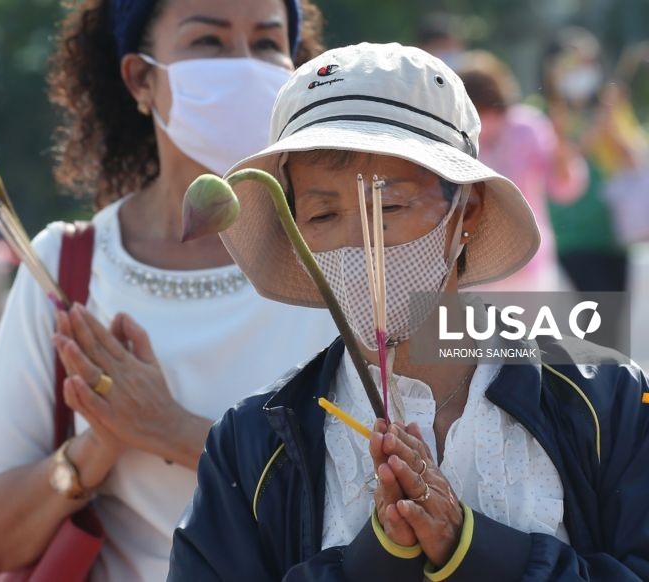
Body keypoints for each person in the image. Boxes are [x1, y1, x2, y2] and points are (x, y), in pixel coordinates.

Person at [169, 42, 649, 580]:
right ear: (294, 235)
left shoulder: (611, 401)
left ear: (467, 210)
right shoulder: (252, 443)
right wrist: (375, 559)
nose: (359, 244)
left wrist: (472, 548)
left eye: (390, 205)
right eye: (323, 215)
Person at [0, 1, 337, 580]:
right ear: (140, 78)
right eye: (208, 42)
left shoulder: (343, 258)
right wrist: (96, 447)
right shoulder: (64, 266)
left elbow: (390, 501)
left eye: (266, 43)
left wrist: (168, 428)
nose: (244, 65)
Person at [542, 27, 645, 347]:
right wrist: (596, 126)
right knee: (594, 329)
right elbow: (565, 165)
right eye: (572, 63)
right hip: (569, 238)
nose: (581, 70)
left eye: (588, 62)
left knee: (613, 330)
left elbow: (633, 160)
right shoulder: (543, 114)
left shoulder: (611, 108)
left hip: (612, 235)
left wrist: (611, 123)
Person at [456, 50, 588, 292]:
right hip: (475, 268)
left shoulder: (527, 127)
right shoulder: (457, 135)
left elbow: (565, 188)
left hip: (529, 264)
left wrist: (561, 142)